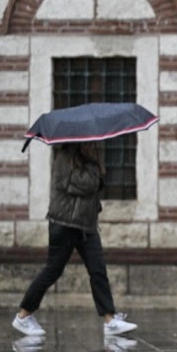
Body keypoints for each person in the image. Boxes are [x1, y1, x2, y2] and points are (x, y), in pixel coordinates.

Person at [12, 142, 137, 336]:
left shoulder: (88, 160)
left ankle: (110, 320)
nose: (95, 146)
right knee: (53, 270)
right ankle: (23, 316)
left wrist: (95, 167)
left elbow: (92, 186)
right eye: (91, 143)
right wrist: (95, 170)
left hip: (86, 226)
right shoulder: (64, 158)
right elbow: (85, 184)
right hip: (64, 225)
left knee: (98, 270)